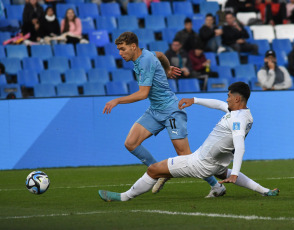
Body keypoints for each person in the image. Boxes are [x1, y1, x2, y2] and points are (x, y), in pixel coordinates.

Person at [98, 81, 280, 202]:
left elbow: (240, 147)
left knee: (154, 170)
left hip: (200, 162)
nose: (227, 99)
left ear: (237, 99)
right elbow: (219, 105)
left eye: (229, 96)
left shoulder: (237, 120)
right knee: (224, 172)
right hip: (215, 162)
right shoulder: (242, 113)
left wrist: (236, 173)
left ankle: (123, 197)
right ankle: (265, 191)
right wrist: (194, 100)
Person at [103, 32, 222, 197]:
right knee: (131, 143)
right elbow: (159, 54)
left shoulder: (144, 61)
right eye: (119, 50)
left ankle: (217, 186)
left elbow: (143, 93)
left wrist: (117, 101)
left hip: (171, 111)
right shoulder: (145, 55)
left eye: (122, 49)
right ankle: (159, 172)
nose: (120, 53)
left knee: (185, 156)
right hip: (155, 110)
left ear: (133, 46)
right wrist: (166, 69)